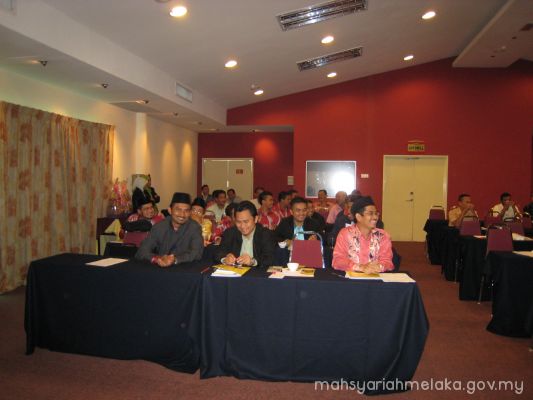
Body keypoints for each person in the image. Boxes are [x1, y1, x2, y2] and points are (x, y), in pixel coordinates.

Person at [135, 192, 203, 267]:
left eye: (186, 210)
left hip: (184, 268)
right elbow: (142, 251)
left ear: (190, 212)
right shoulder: (159, 227)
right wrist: (157, 259)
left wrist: (174, 259)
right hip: (160, 268)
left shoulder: (194, 228)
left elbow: (196, 253)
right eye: (178, 209)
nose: (182, 214)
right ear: (170, 210)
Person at [333, 196, 393, 273]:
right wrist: (360, 267)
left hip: (375, 277)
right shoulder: (345, 234)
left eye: (376, 213)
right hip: (351, 278)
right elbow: (337, 261)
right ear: (358, 217)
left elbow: (387, 261)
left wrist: (379, 267)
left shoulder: (382, 236)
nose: (375, 217)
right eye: (370, 213)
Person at [215, 201, 276, 267]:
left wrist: (252, 261)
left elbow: (270, 259)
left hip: (256, 272)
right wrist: (225, 259)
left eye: (246, 221)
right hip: (235, 272)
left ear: (256, 219)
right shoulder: (230, 233)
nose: (242, 226)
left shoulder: (265, 234)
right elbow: (218, 253)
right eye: (238, 222)